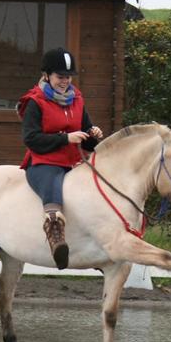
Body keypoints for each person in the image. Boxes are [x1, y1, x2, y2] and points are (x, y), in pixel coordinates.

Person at [17, 47, 104, 269]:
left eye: (68, 77)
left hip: (74, 163)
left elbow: (84, 138)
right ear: (47, 75)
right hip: (43, 163)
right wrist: (65, 139)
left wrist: (93, 135)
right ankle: (55, 236)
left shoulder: (77, 100)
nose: (65, 81)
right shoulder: (34, 102)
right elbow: (31, 138)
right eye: (60, 77)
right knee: (53, 183)